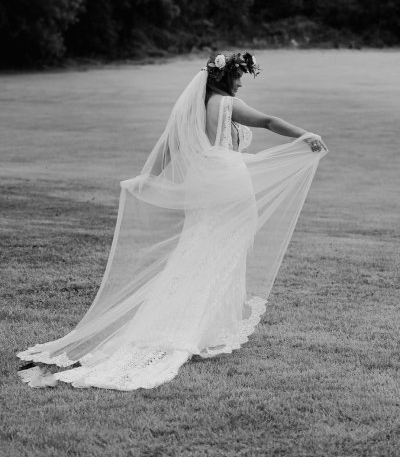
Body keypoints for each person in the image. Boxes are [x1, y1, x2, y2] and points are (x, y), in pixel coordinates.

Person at [17, 52, 327, 390]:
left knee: (199, 255)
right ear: (224, 77)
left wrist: (147, 177)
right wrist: (304, 134)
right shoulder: (225, 105)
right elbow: (268, 121)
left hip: (210, 193)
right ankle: (190, 328)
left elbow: (169, 147)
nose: (240, 83)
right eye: (238, 76)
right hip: (231, 192)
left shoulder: (193, 112)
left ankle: (191, 324)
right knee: (218, 256)